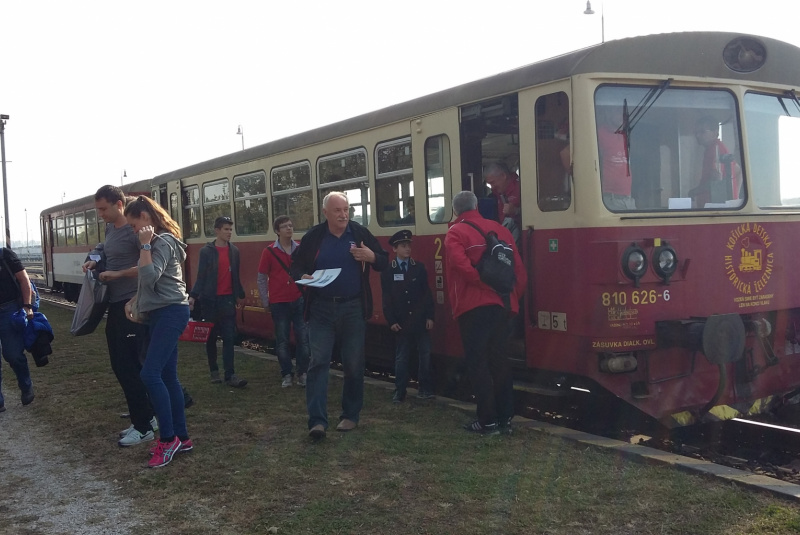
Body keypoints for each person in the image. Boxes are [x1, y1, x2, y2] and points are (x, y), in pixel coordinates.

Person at [291, 191, 388, 439]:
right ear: (325, 213)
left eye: (346, 209)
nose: (343, 214)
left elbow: (384, 261)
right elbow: (297, 265)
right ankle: (317, 422)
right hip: (321, 309)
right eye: (338, 210)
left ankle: (350, 416)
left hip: (353, 308)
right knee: (319, 362)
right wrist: (303, 277)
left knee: (354, 364)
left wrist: (372, 256)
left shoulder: (358, 233)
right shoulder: (314, 237)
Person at [444, 191, 526, 435]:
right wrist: (511, 298)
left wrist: (482, 284)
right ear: (477, 205)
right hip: (502, 306)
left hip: (473, 307)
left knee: (478, 363)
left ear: (456, 211)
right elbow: (518, 272)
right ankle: (505, 420)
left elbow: (461, 267)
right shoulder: (500, 230)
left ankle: (487, 421)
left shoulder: (455, 233)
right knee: (500, 362)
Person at [82, 185, 157, 446]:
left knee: (127, 366)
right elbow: (104, 248)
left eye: (104, 208)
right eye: (98, 209)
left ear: (119, 204)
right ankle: (148, 414)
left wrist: (117, 275)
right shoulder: (110, 228)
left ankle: (143, 426)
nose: (100, 214)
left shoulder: (133, 230)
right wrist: (95, 258)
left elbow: (148, 266)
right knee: (128, 365)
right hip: (116, 304)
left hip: (132, 305)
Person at [123, 195, 192, 468]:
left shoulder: (160, 243)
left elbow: (150, 277)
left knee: (150, 374)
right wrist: (135, 300)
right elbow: (149, 282)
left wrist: (144, 245)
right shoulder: (157, 242)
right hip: (164, 311)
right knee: (167, 376)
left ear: (147, 218)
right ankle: (182, 438)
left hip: (170, 312)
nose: (132, 230)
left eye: (133, 224)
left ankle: (167, 439)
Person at [189, 216, 247, 388]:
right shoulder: (206, 251)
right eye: (226, 229)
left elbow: (235, 275)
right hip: (210, 300)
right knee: (211, 337)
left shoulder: (234, 251)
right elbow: (201, 276)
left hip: (228, 299)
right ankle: (214, 371)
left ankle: (230, 375)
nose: (229, 233)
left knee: (230, 337)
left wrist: (239, 294)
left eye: (230, 229)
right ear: (217, 231)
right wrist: (193, 296)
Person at [380, 229, 435, 403]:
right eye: (403, 246)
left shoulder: (418, 268)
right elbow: (387, 299)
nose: (408, 249)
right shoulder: (389, 271)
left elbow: (426, 294)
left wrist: (430, 317)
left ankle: (425, 388)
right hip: (401, 322)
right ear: (394, 249)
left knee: (424, 355)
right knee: (401, 357)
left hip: (419, 320)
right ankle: (400, 390)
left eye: (409, 245)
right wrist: (392, 321)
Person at [257, 215, 309, 388]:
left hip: (298, 299)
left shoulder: (300, 249)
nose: (289, 229)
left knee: (303, 339)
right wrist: (265, 300)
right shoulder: (269, 251)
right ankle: (286, 374)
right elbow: (262, 277)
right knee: (282, 340)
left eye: (291, 225)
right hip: (279, 302)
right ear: (277, 231)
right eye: (285, 226)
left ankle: (302, 373)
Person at [0, 247, 36, 412]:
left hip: (9, 310)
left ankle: (26, 384)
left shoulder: (5, 255)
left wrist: (27, 306)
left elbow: (23, 279)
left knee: (13, 354)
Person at [691, 115, 740, 207]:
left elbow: (716, 180)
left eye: (702, 132)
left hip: (714, 209)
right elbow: (738, 170)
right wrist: (733, 197)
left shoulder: (715, 149)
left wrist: (694, 191)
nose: (697, 135)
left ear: (715, 133)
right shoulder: (715, 148)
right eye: (696, 132)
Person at [596, 107, 635, 210]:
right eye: (617, 111)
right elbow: (567, 152)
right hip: (609, 200)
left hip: (628, 199)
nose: (621, 116)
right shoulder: (599, 133)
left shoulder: (626, 134)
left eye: (623, 113)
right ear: (608, 112)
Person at [483, 162, 521, 243]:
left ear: (503, 176)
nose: (492, 187)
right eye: (489, 184)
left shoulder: (521, 187)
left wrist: (516, 211)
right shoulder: (495, 193)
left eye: (493, 182)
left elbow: (534, 213)